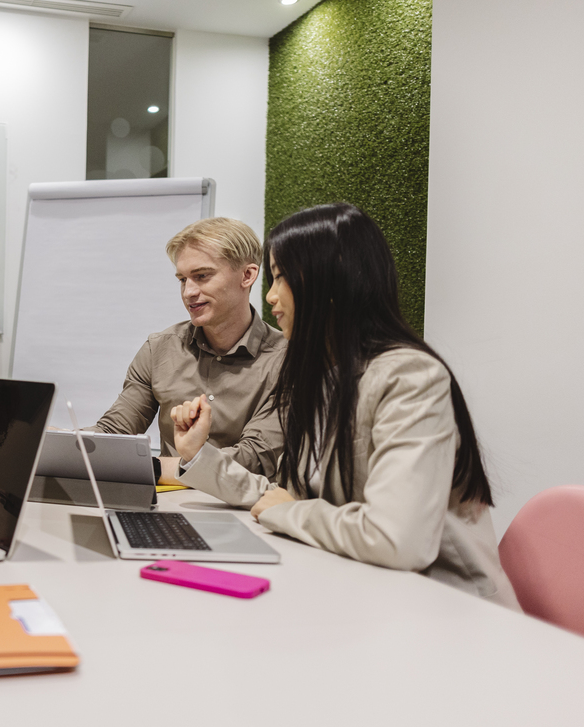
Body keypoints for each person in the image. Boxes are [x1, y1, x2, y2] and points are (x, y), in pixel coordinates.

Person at [170, 203, 519, 609]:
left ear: (330, 281)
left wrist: (289, 513)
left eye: (281, 277)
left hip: (448, 608)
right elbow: (284, 496)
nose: (270, 296)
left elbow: (396, 539)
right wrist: (199, 456)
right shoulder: (321, 376)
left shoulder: (410, 377)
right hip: (360, 589)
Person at [93, 217, 286, 481]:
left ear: (247, 275)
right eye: (183, 280)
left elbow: (255, 458)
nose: (188, 292)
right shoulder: (159, 348)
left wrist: (157, 468)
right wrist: (60, 442)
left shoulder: (288, 359)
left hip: (243, 504)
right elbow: (112, 432)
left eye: (202, 276)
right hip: (164, 499)